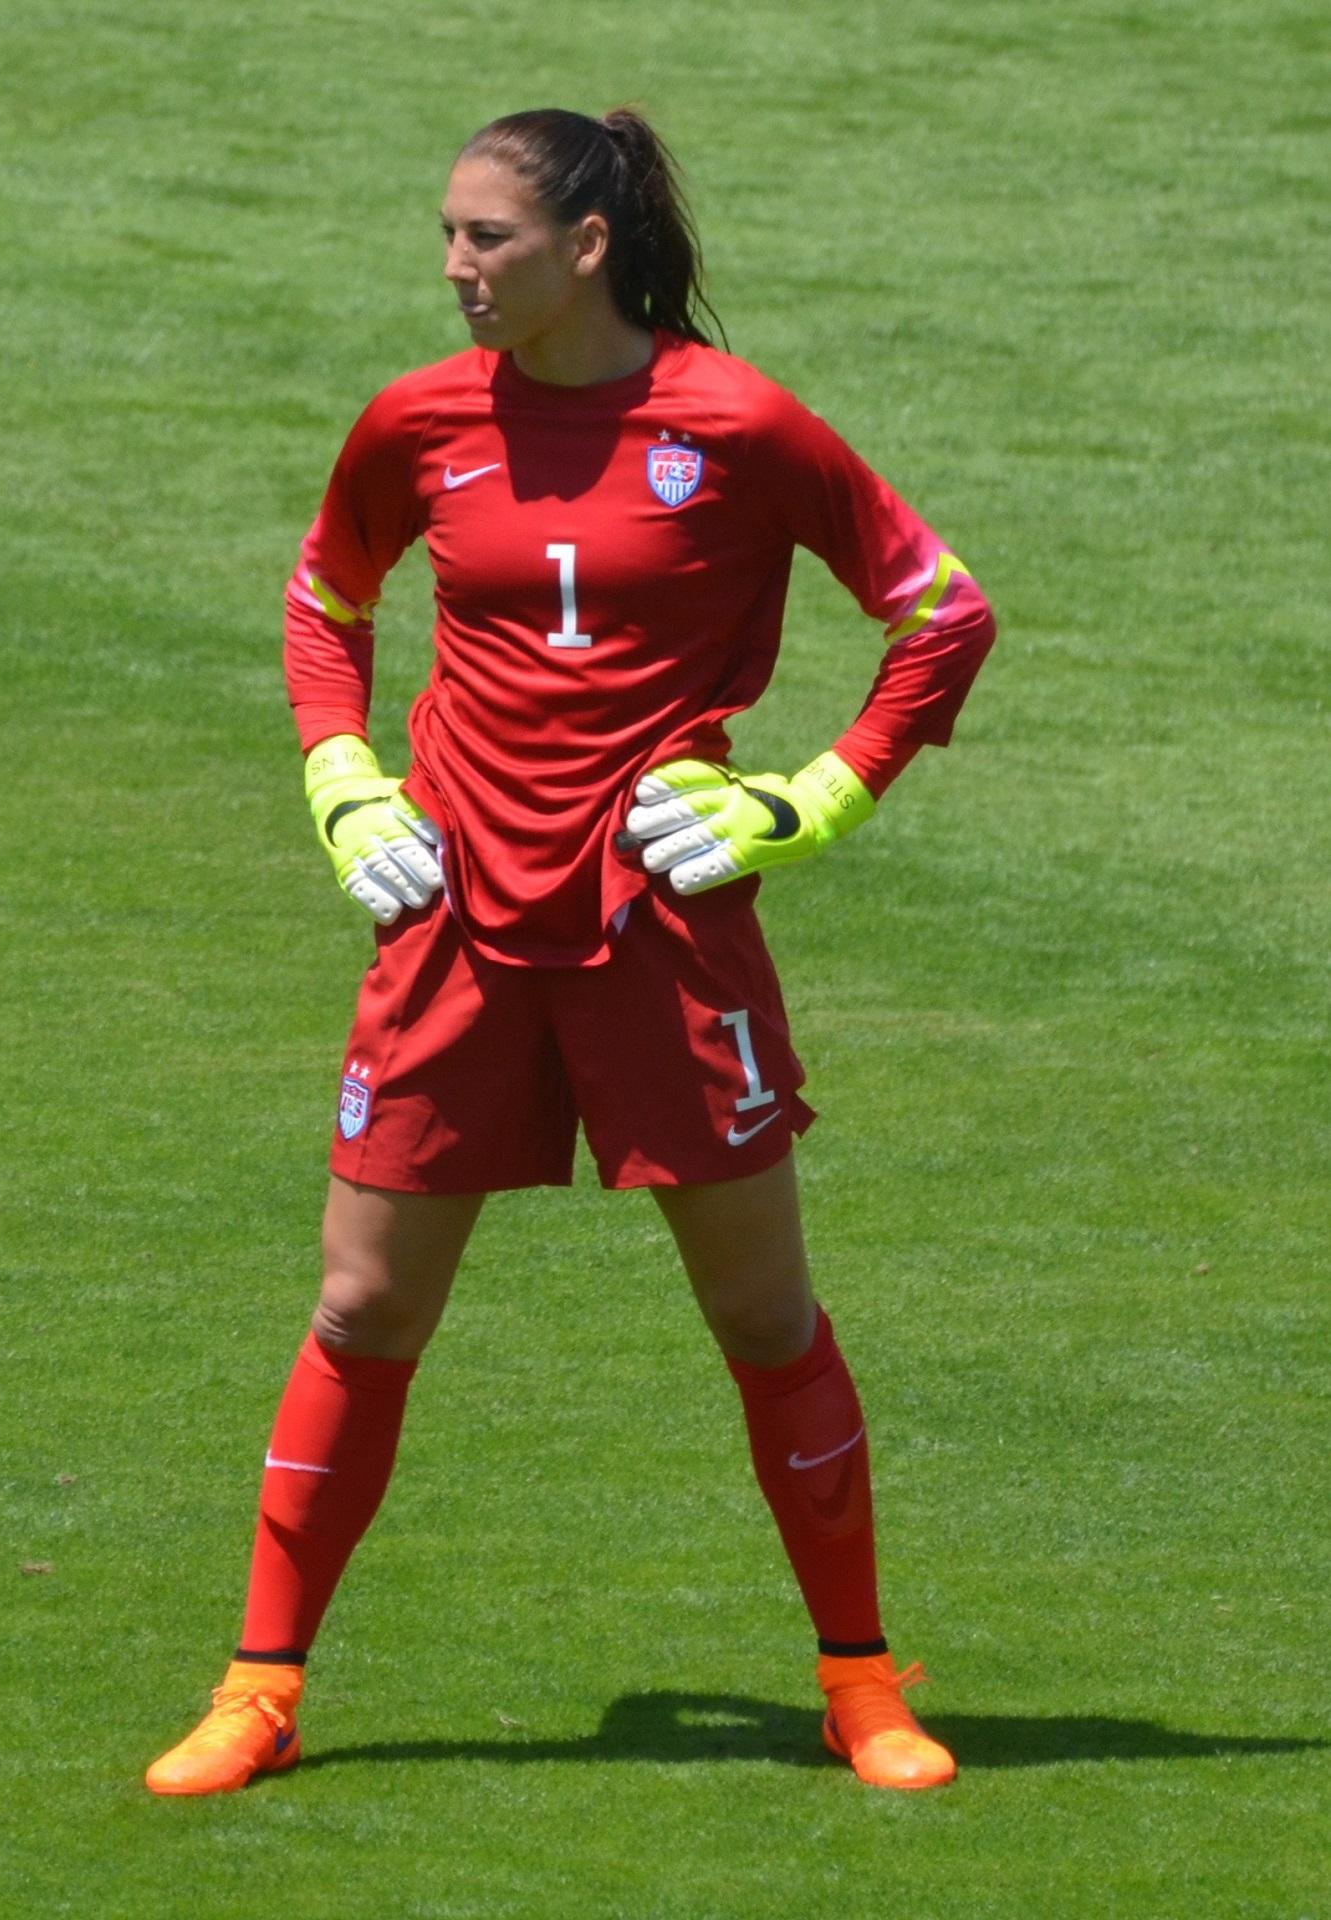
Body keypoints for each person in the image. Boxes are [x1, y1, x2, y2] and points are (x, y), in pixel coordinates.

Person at [146, 105, 995, 1798]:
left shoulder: (738, 424)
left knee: (762, 1316)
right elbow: (329, 602)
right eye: (448, 237)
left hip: (660, 931)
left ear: (585, 247)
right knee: (361, 1301)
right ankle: (258, 1688)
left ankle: (860, 1686)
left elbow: (940, 611)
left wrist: (809, 802)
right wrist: (341, 776)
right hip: (453, 919)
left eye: (488, 240)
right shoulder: (417, 419)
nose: (456, 269)